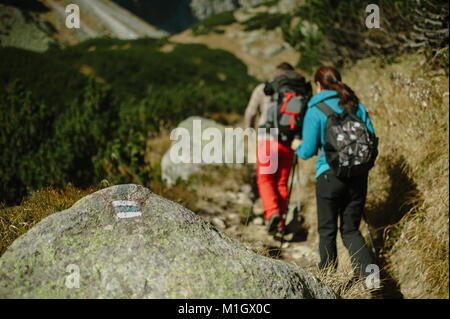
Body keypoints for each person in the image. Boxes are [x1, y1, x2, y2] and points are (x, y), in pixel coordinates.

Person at [296, 66, 375, 278]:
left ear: (318, 85)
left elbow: (308, 150)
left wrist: (297, 146)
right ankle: (371, 278)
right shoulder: (356, 105)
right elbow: (371, 140)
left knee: (327, 232)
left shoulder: (315, 110)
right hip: (358, 175)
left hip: (329, 176)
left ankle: (329, 282)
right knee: (351, 231)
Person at [244, 62, 307, 234]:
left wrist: (249, 132)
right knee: (281, 182)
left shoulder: (264, 89)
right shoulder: (299, 90)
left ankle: (272, 213)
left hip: (267, 140)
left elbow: (250, 113)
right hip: (288, 143)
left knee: (265, 179)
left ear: (277, 73)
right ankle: (280, 225)